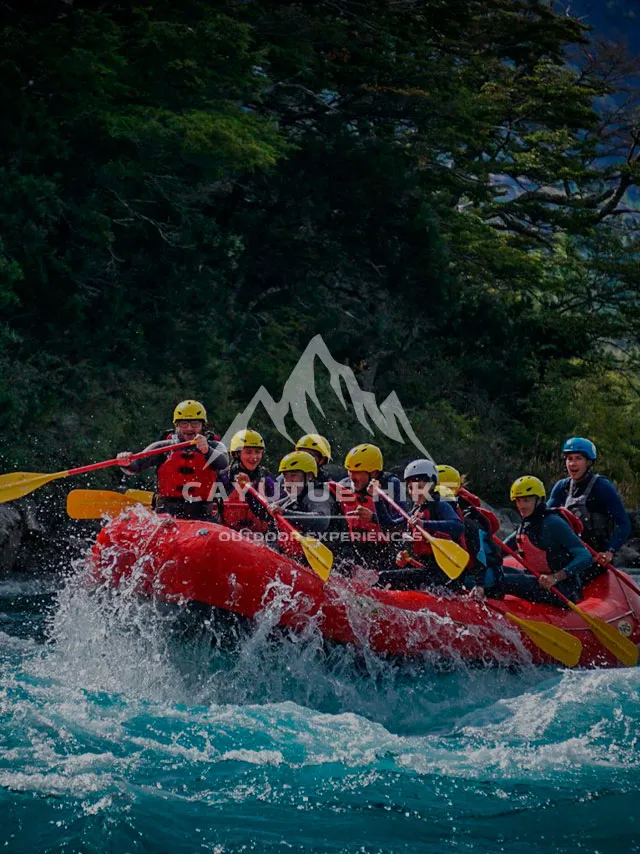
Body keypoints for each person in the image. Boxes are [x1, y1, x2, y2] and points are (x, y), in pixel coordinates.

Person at [116, 400, 228, 521]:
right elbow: (136, 466)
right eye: (184, 424)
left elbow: (224, 464)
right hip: (166, 515)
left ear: (202, 426)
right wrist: (126, 463)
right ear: (176, 425)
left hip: (202, 515)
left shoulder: (215, 447)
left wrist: (207, 451)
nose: (189, 428)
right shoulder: (163, 447)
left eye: (195, 424)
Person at [502, 476, 592, 606]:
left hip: (562, 589)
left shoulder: (553, 523)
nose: (521, 506)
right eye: (518, 501)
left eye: (526, 500)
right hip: (536, 578)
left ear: (539, 500)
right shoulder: (526, 525)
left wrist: (555, 577)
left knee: (501, 580)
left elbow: (585, 556)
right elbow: (500, 550)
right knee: (493, 572)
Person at [547, 437, 631, 571]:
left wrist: (610, 552)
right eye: (569, 459)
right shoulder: (561, 487)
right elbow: (542, 518)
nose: (573, 463)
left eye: (578, 458)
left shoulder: (602, 487)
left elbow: (624, 524)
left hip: (595, 558)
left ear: (588, 462)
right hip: (569, 555)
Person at [387, 459, 465, 591]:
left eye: (420, 488)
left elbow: (458, 526)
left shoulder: (440, 505)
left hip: (443, 573)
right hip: (423, 568)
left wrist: (424, 523)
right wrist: (402, 556)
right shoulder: (416, 512)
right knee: (386, 574)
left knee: (385, 578)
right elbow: (392, 525)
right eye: (411, 488)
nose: (414, 492)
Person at [331, 443, 407, 572]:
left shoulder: (391, 485)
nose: (352, 477)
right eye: (350, 471)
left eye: (357, 473)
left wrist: (373, 517)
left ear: (374, 473)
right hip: (353, 549)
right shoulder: (344, 486)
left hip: (385, 550)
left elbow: (401, 526)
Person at [436, 464, 503, 600]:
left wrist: (479, 585)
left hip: (483, 577)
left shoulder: (467, 520)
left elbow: (479, 556)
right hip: (460, 573)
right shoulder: (435, 513)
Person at [266, 451, 344, 561]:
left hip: (334, 563)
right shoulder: (295, 496)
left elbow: (322, 520)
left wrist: (286, 513)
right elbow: (266, 512)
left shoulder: (318, 495)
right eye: (285, 476)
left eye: (293, 475)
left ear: (310, 476)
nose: (288, 481)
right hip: (302, 559)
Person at [220, 429, 277, 533]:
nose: (254, 457)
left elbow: (274, 513)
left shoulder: (267, 478)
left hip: (260, 537)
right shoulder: (224, 477)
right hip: (227, 535)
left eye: (258, 452)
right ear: (237, 454)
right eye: (248, 452)